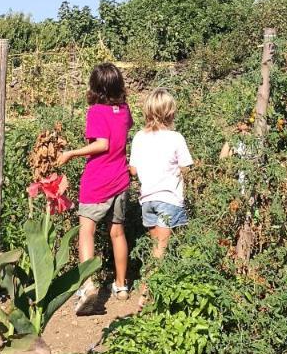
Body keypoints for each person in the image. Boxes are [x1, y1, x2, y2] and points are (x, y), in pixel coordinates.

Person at [57, 62, 133, 313]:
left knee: (86, 230)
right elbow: (122, 134)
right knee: (117, 233)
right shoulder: (123, 109)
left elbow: (102, 144)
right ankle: (121, 286)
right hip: (120, 178)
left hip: (98, 180)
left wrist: (72, 153)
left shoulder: (96, 111)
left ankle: (87, 285)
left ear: (95, 87)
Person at [128, 88, 194, 270]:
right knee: (160, 251)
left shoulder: (139, 137)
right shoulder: (176, 138)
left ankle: (152, 289)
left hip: (147, 200)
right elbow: (186, 168)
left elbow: (132, 170)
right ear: (170, 112)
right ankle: (146, 293)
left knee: (156, 247)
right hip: (169, 199)